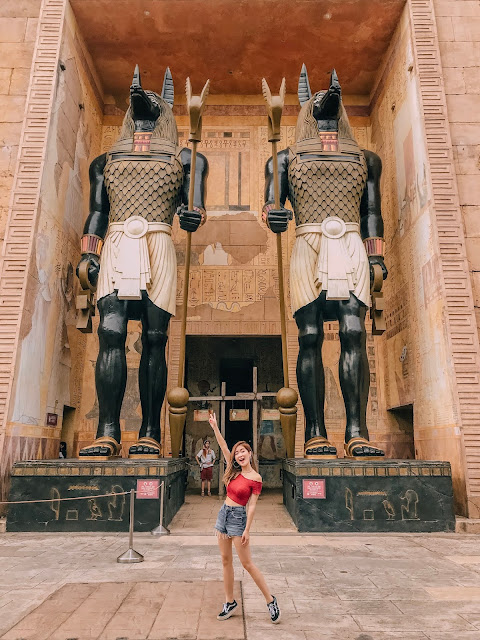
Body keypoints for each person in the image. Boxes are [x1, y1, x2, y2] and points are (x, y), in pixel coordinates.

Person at [208, 411, 281, 624]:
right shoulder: (233, 470)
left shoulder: (255, 478)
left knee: (247, 563)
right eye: (237, 452)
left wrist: (247, 529)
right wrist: (215, 426)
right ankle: (229, 602)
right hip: (223, 515)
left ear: (250, 454)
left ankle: (270, 600)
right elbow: (223, 446)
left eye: (243, 451)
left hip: (238, 519)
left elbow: (252, 506)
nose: (240, 454)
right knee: (225, 560)